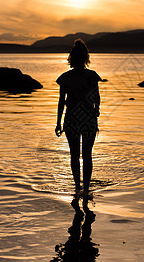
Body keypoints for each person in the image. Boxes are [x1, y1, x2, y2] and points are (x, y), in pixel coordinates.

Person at [55, 39, 101, 197]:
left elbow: (61, 102)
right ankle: (85, 189)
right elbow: (97, 98)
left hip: (72, 119)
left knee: (75, 155)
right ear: (85, 58)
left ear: (72, 59)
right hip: (88, 118)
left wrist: (58, 123)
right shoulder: (92, 76)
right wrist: (97, 110)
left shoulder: (65, 78)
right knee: (86, 155)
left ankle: (77, 188)